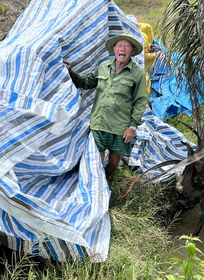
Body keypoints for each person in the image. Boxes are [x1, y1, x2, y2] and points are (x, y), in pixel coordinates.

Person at [63, 34, 147, 180]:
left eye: (127, 46)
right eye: (119, 45)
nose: (123, 49)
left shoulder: (137, 74)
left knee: (114, 162)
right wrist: (70, 72)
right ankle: (96, 185)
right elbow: (87, 82)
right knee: (97, 159)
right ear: (114, 49)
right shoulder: (103, 67)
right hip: (99, 123)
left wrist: (132, 127)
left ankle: (106, 179)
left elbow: (140, 101)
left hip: (120, 127)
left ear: (132, 52)